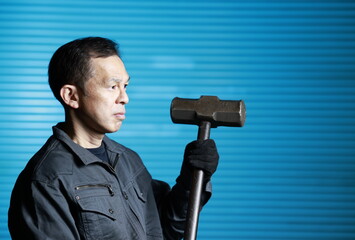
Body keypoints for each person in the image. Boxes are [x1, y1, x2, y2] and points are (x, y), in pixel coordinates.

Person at [8, 37, 219, 240]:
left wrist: (191, 180)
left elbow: (166, 230)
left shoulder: (128, 160)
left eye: (125, 86)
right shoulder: (47, 179)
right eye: (112, 87)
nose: (124, 98)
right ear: (71, 96)